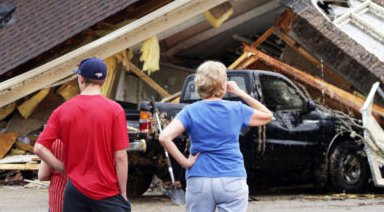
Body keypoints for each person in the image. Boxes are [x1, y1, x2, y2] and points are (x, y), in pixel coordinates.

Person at [159, 61, 273, 212]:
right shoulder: (236, 109)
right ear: (223, 84)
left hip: (199, 178)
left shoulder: (190, 111)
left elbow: (164, 137)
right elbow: (268, 116)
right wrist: (240, 92)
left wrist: (185, 162)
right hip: (231, 177)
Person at [34, 57, 131, 212]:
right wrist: (123, 192)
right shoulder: (115, 110)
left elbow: (39, 148)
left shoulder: (61, 111)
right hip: (106, 190)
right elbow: (121, 157)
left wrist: (65, 168)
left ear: (81, 79)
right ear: (104, 80)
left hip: (75, 190)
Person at [38, 139, 68, 212]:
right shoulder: (94, 139)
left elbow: (43, 175)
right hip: (90, 202)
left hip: (60, 202)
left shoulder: (54, 142)